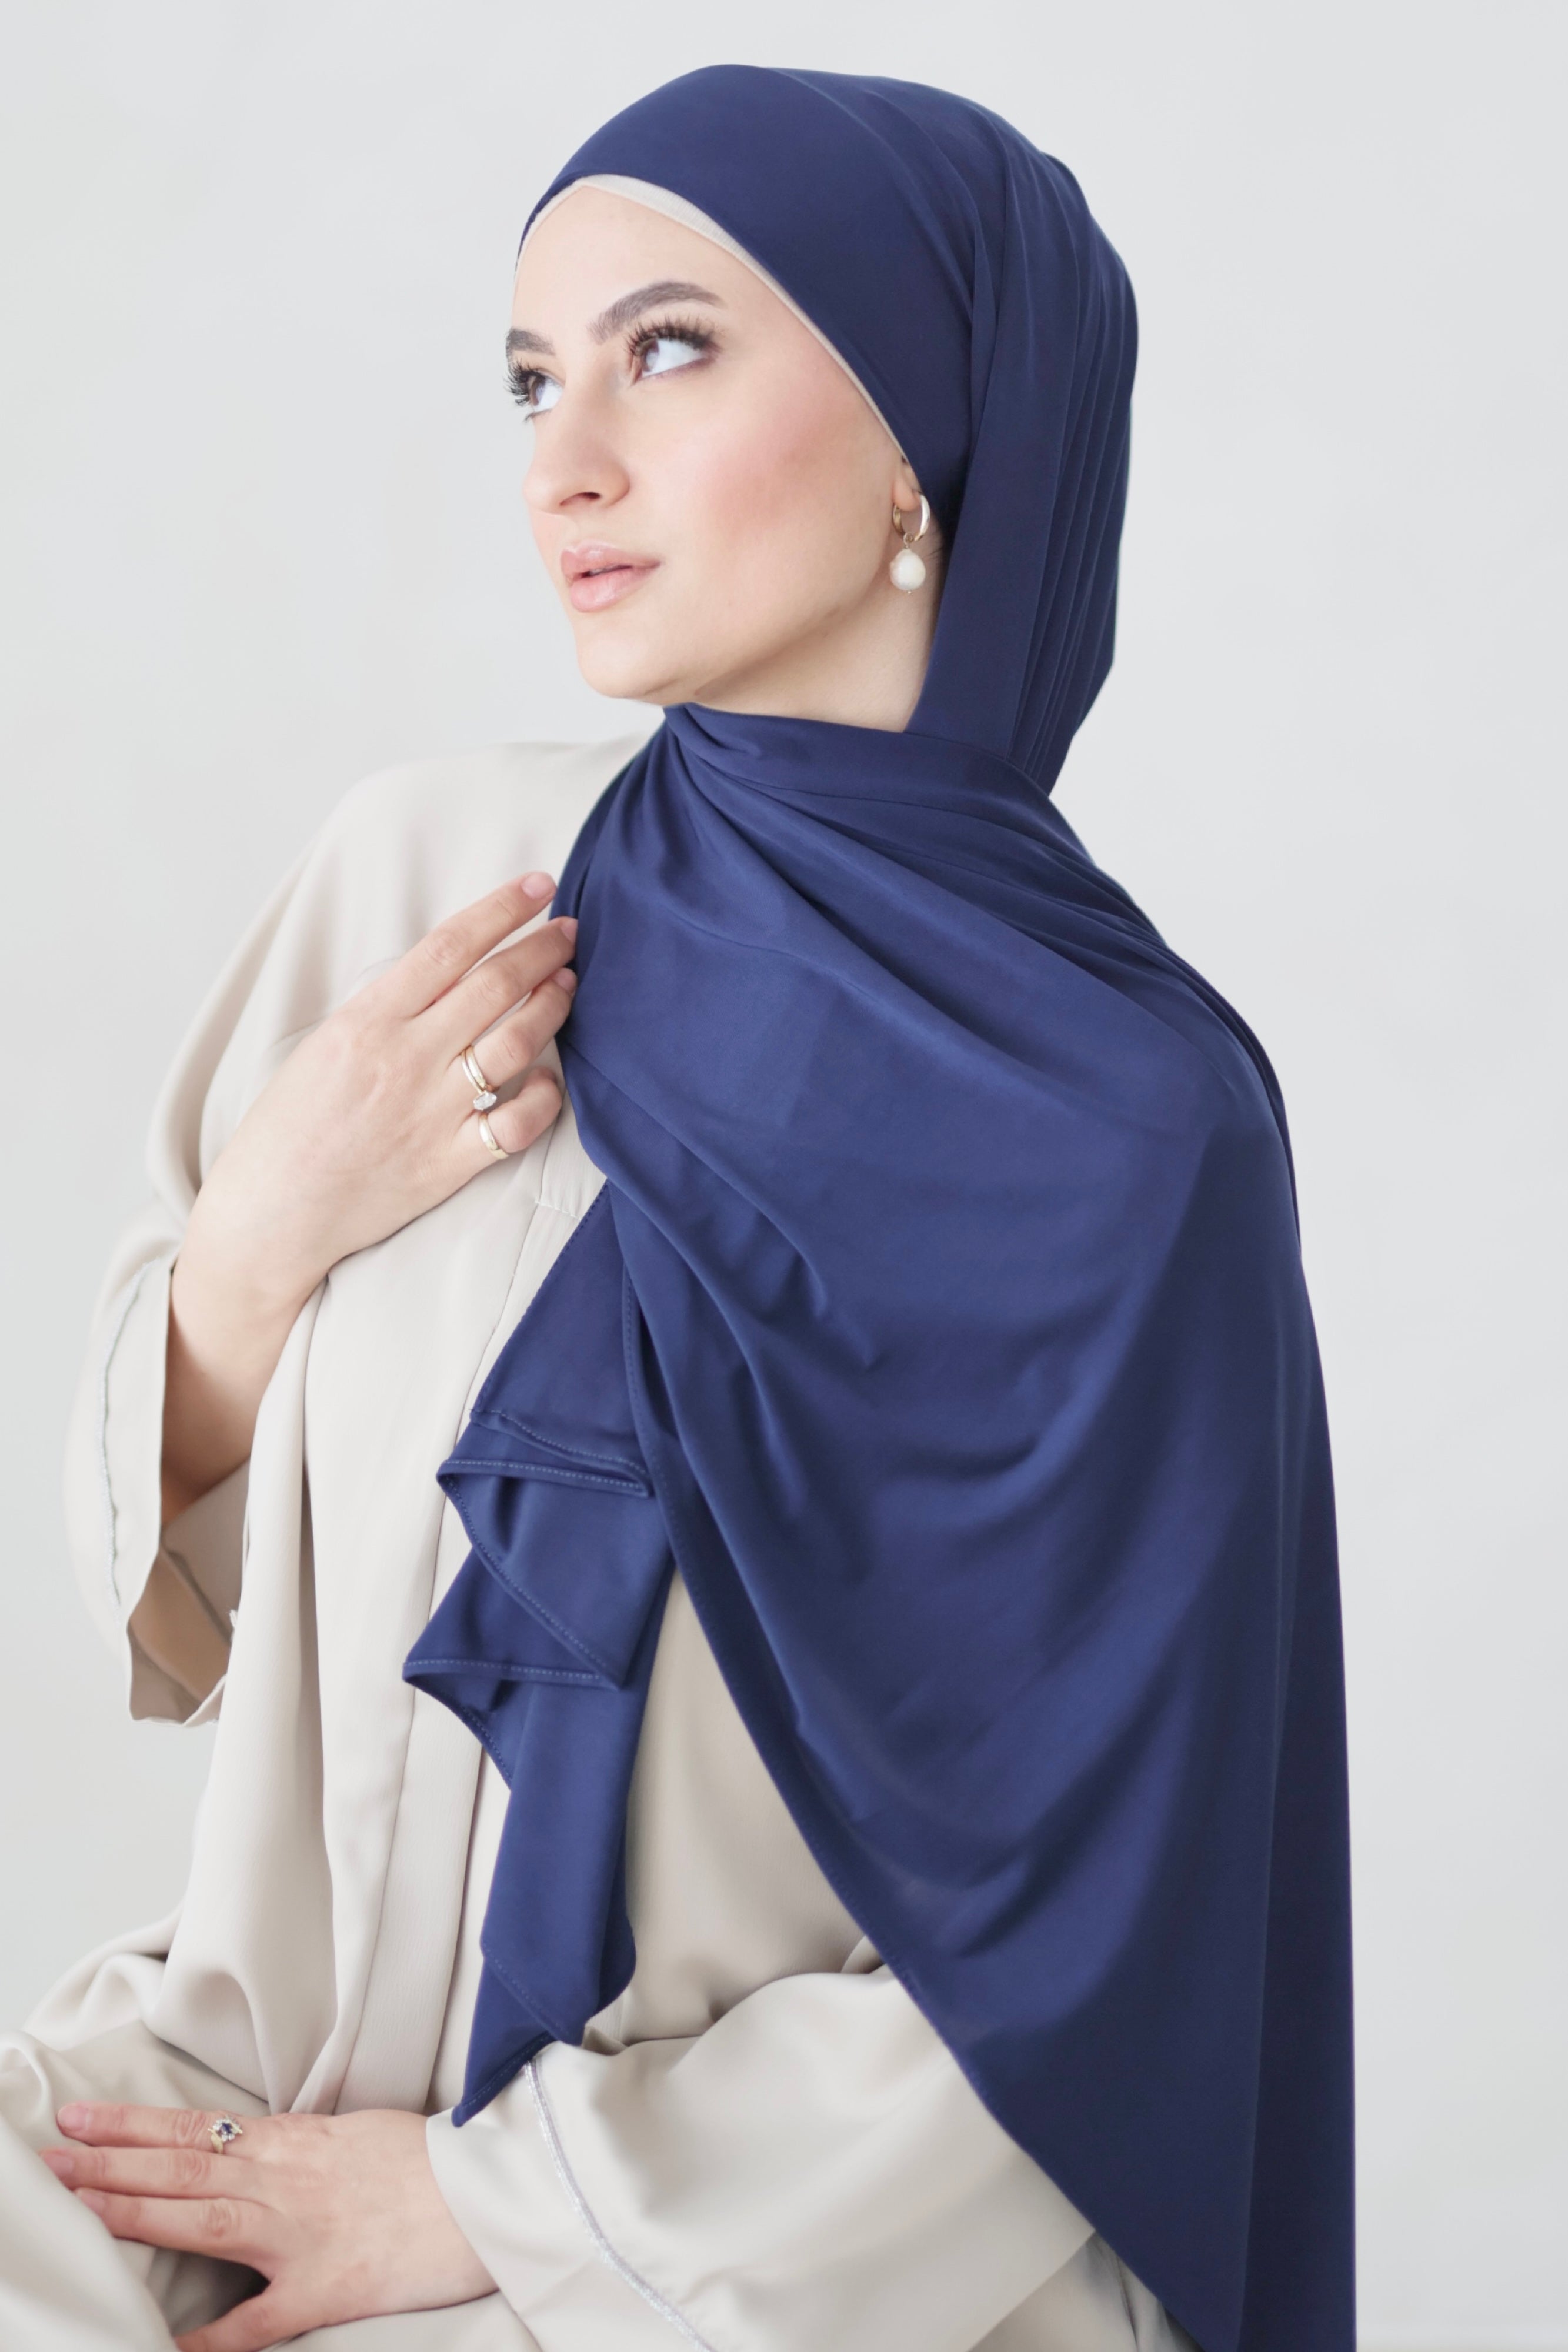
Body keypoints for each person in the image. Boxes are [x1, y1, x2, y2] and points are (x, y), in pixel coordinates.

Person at [0, 66, 1353, 2352]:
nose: (564, 465)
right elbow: (173, 1587)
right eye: (533, 380)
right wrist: (261, 1231)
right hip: (257, 2102)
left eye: (667, 350)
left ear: (926, 431)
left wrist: (490, 2210)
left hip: (764, 2246)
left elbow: (1110, 1957)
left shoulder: (1137, 1137)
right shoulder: (435, 883)